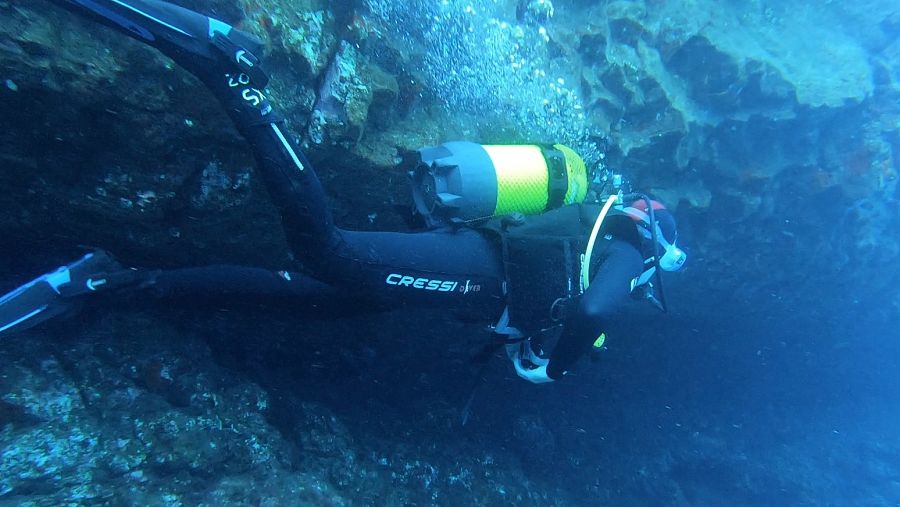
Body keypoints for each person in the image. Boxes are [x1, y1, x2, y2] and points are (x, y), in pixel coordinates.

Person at [0, 0, 687, 384]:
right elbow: (595, 307)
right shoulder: (636, 245)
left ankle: (116, 283)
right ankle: (230, 73)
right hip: (481, 268)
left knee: (312, 301)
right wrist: (554, 366)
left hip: (480, 271)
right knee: (326, 253)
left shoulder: (603, 231)